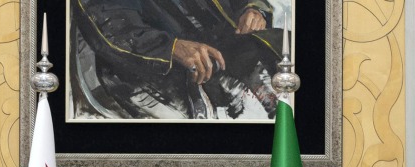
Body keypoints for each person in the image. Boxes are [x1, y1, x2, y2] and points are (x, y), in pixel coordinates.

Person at [71, 0, 283, 120]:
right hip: (152, 67)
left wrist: (253, 9)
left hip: (227, 46)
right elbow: (111, 26)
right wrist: (171, 48)